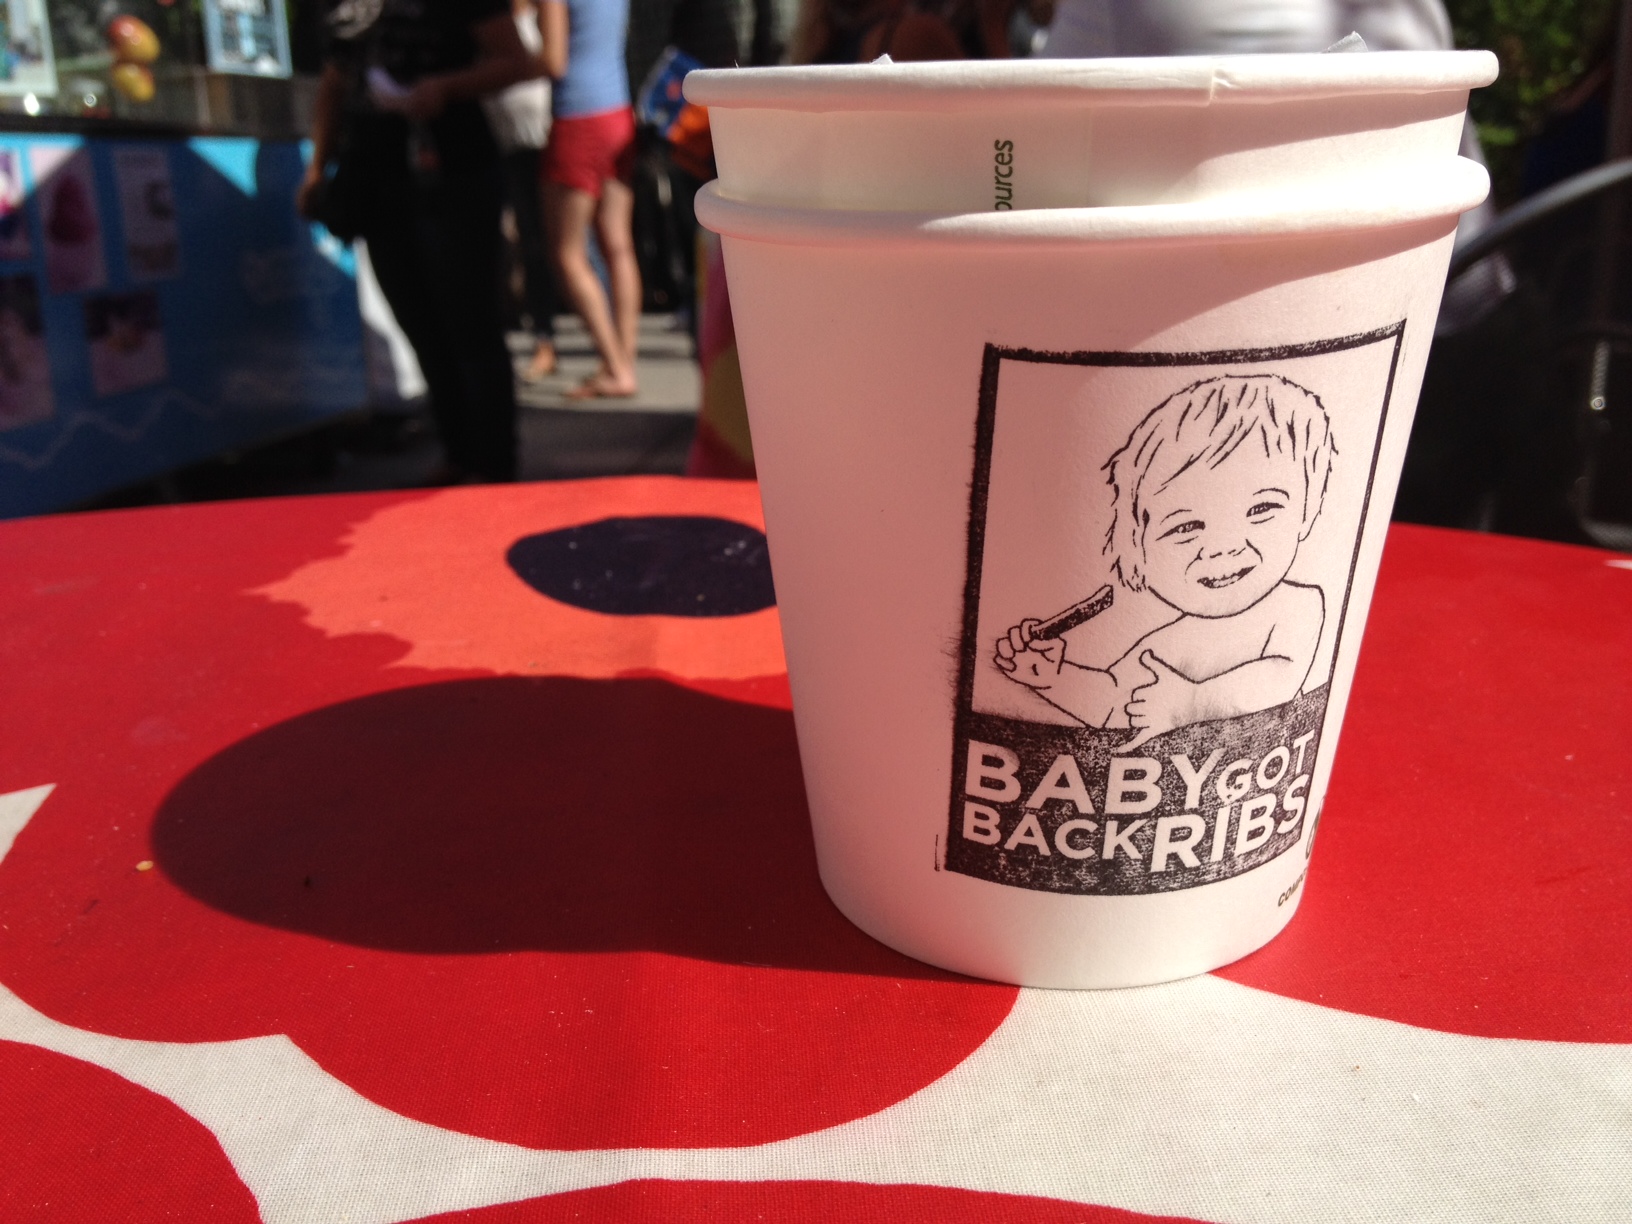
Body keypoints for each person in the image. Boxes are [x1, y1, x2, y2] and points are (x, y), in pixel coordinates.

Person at [995, 374, 1333, 740]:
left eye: (1262, 508)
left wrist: (1191, 703)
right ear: (1139, 551)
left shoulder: (1296, 606)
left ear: (1307, 510)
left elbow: (1280, 676)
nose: (1223, 547)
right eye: (1186, 527)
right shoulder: (1161, 644)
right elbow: (1114, 703)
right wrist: (1054, 678)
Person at [299, 0, 535, 484]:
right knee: (417, 319)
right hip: (375, 175)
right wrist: (317, 167)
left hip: (453, 166)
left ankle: (495, 465)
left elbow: (517, 60)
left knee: (470, 321)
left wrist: (445, 87)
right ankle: (458, 452)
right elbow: (335, 80)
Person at [538, 0, 643, 400]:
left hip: (577, 116)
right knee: (618, 244)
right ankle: (623, 361)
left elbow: (553, 60)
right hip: (617, 111)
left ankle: (615, 367)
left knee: (567, 254)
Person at [484, 0, 564, 382]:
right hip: (498, 141)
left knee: (539, 242)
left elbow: (552, 63)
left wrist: (504, 70)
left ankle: (545, 337)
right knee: (513, 242)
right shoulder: (488, 17)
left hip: (540, 140)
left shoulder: (545, 11)